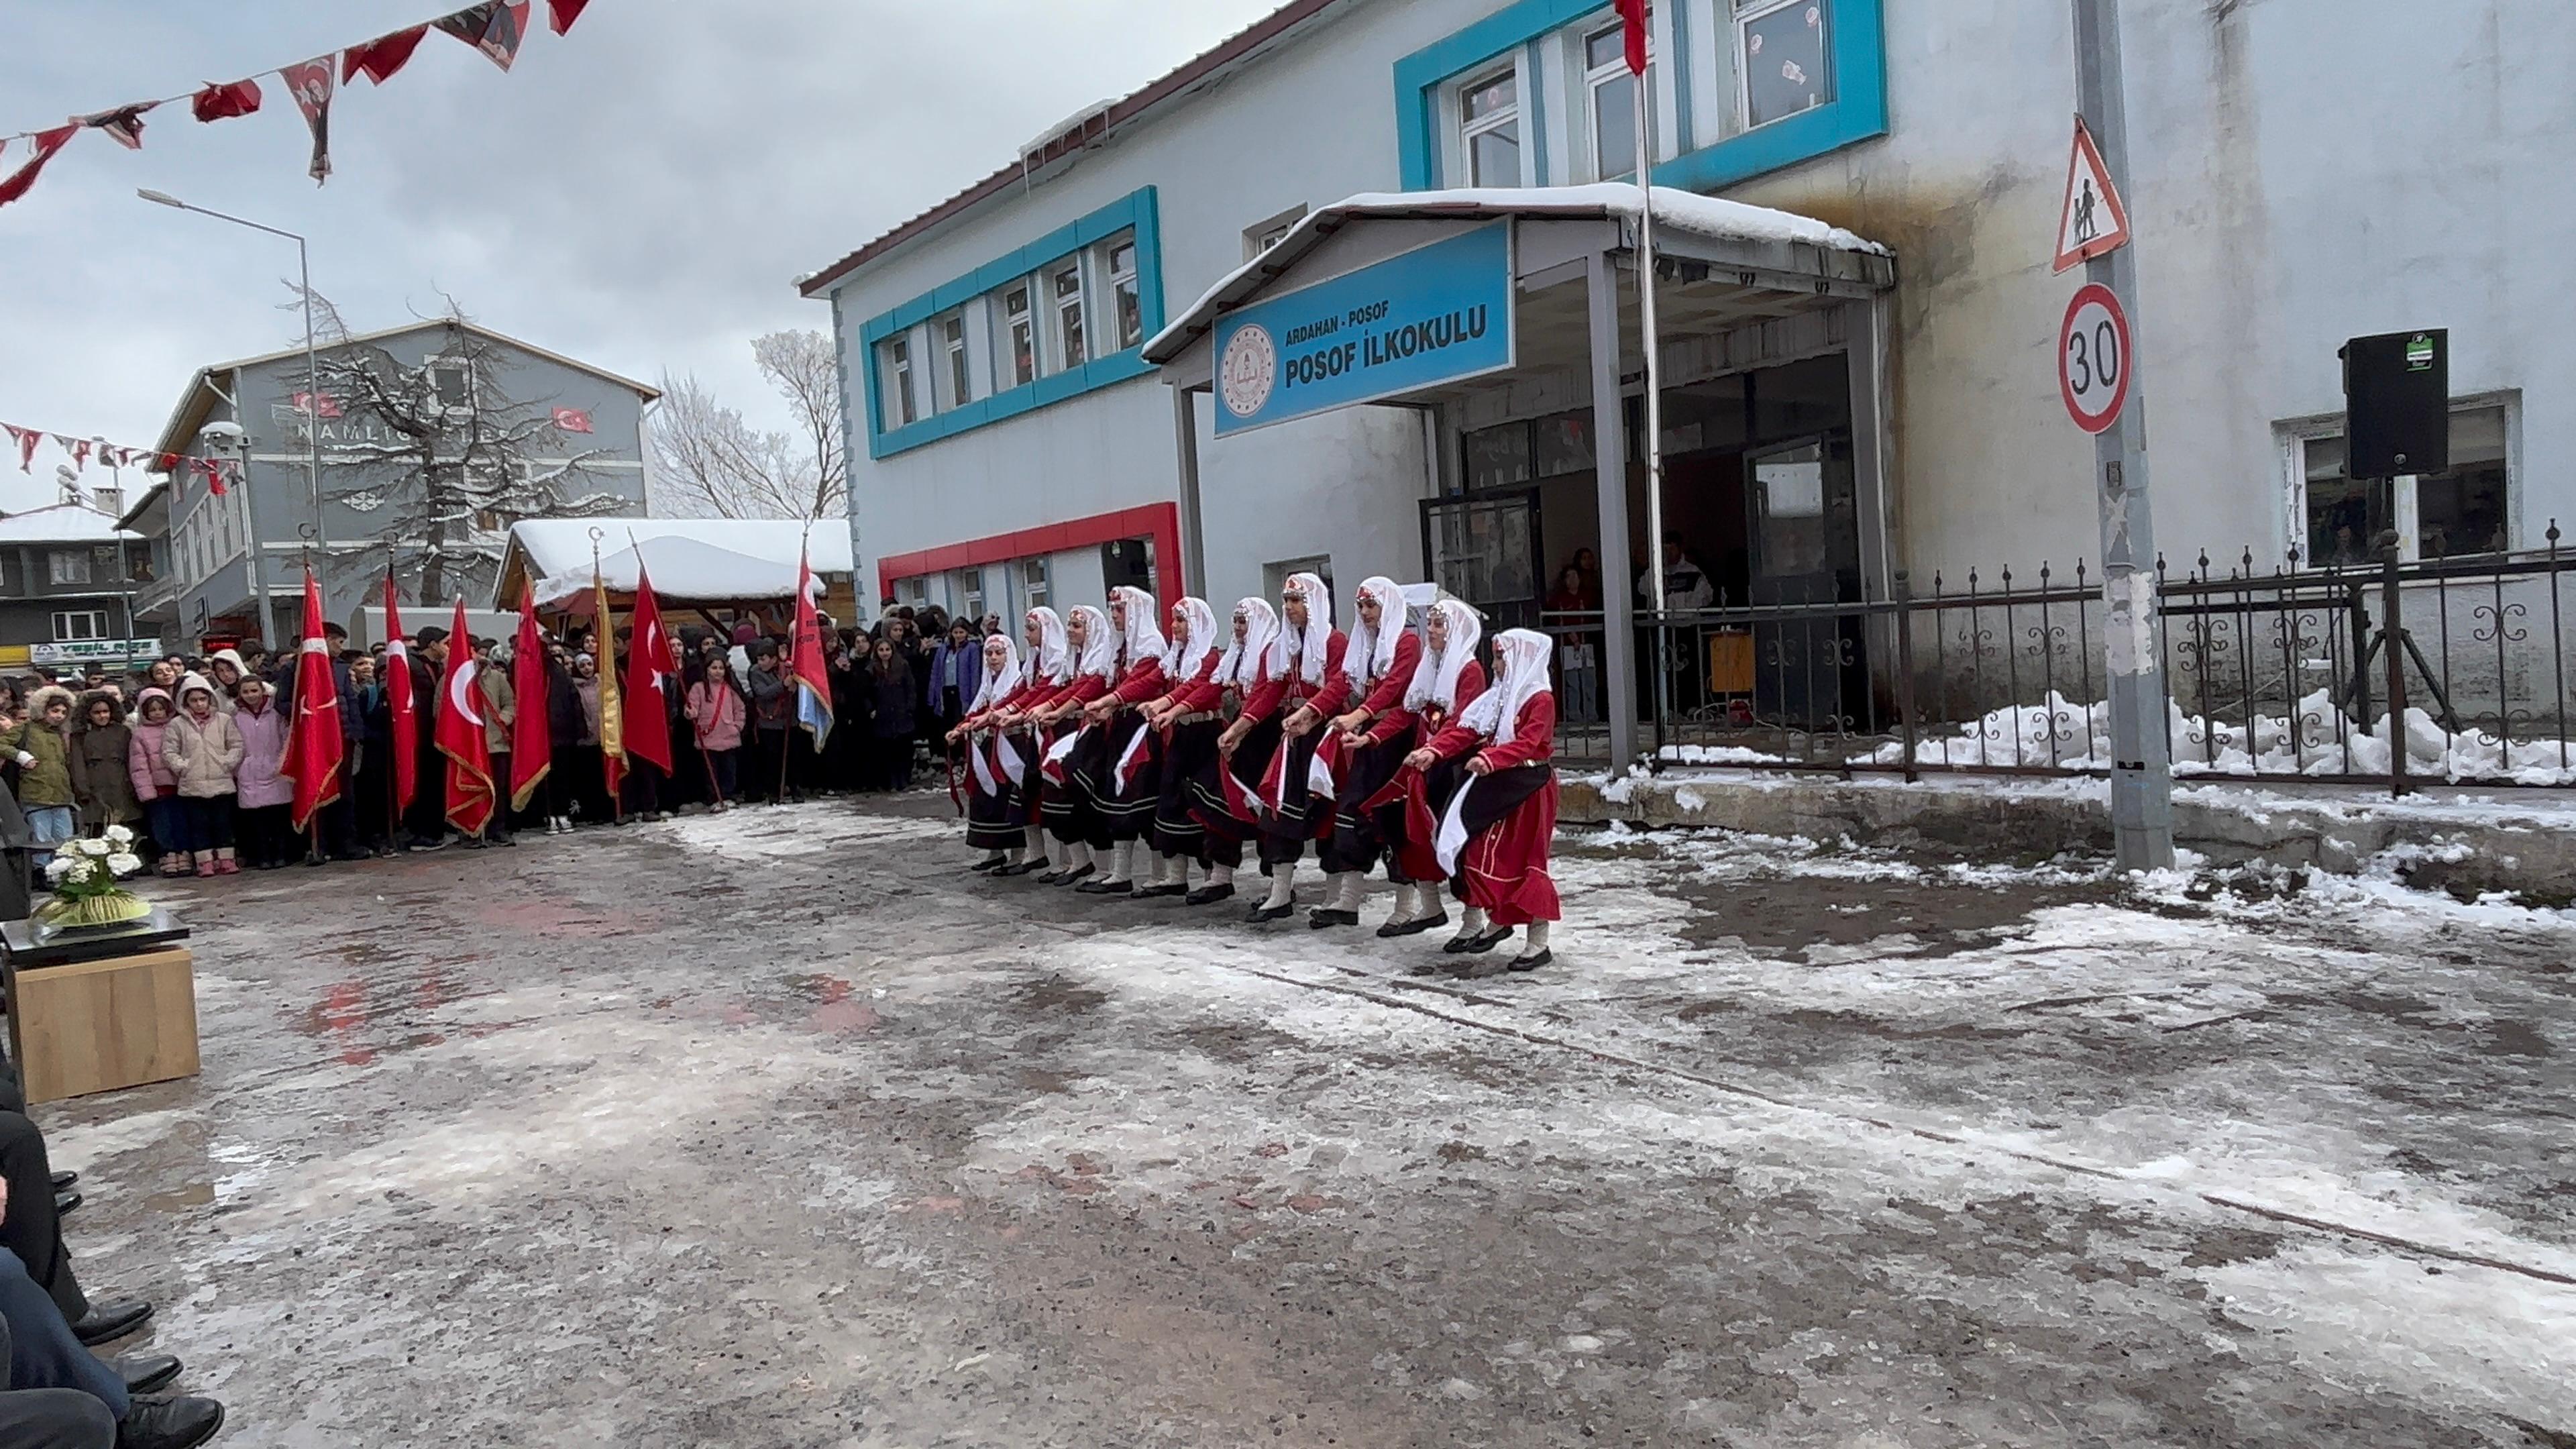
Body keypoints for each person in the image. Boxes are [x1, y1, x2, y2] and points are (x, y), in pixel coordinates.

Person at [1405, 628, 1561, 973]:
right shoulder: (1499, 696)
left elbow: (1531, 743)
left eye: (1503, 656)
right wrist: (1433, 751)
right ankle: (1497, 920)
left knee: (1527, 861)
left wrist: (1493, 758)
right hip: (1498, 785)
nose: (1498, 665)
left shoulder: (1540, 699)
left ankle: (1538, 941)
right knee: (1481, 854)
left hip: (1528, 786)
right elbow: (1466, 729)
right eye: (1497, 656)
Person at [1312, 578, 1426, 930]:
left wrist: (1360, 717)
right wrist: (1310, 713)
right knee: (1351, 813)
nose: (1364, 614)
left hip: (1397, 741)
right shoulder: (1365, 644)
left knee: (1393, 820)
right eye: (1360, 607)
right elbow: (1343, 684)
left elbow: (1396, 689)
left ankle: (1406, 905)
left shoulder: (1406, 642)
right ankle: (1348, 902)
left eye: (1371, 606)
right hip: (1368, 740)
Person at [1236, 572, 1350, 924]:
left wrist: (1309, 712)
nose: (1289, 608)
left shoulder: (1335, 642)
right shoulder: (1286, 645)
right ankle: (1280, 894)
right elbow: (1271, 689)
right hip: (1296, 735)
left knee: (1329, 815)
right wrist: (1241, 726)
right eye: (1286, 601)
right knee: (1278, 810)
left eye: (1297, 601)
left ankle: (1336, 899)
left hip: (1326, 736)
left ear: (1313, 603)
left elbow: (1339, 686)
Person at [1368, 598, 1485, 938]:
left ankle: (1473, 920)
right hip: (1427, 761)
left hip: (1455, 766)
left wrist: (1435, 750)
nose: (1431, 631)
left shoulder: (1469, 670)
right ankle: (1430, 906)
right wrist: (1372, 737)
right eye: (1430, 624)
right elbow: (1409, 711)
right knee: (1411, 830)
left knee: (1457, 839)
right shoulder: (1431, 666)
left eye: (1439, 625)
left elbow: (1463, 722)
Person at [1070, 586, 1169, 895]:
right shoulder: (1120, 646)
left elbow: (1143, 683)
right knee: (1117, 796)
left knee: (1144, 797)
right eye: (1112, 610)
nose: (1114, 616)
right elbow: (1106, 683)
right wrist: (1103, 707)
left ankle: (1161, 874)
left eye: (1120, 609)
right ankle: (1120, 872)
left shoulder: (1151, 644)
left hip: (1143, 726)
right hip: (1121, 725)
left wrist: (1109, 701)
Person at [1130, 596, 1222, 901]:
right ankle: (1175, 875)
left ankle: (1216, 877)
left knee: (1206, 800)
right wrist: (1112, 701)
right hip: (1182, 733)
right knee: (1170, 795)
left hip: (1206, 734)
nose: (1175, 627)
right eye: (1173, 620)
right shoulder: (1174, 657)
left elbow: (1200, 689)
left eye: (1181, 620)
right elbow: (1149, 681)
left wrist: (1168, 706)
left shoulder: (1210, 658)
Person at [969, 608, 1067, 878]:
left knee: (1057, 799)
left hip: (1054, 734)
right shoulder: (1034, 662)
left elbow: (1046, 692)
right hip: (1033, 733)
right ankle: (1037, 854)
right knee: (1027, 797)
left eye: (1031, 629)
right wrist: (1002, 712)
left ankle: (1071, 862)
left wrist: (1014, 712)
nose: (1026, 635)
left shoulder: (1058, 660)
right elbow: (1023, 691)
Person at [1197, 598, 1282, 908]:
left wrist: (1240, 729)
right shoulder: (1236, 654)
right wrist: (1172, 706)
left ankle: (1278, 882)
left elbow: (1266, 695)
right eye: (1234, 621)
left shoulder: (1271, 652)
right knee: (1221, 799)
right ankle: (1220, 875)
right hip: (1242, 728)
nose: (1237, 627)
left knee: (1265, 805)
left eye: (1243, 621)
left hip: (1266, 732)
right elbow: (1212, 687)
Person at [1028, 604, 1114, 884]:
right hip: (1071, 731)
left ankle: (1107, 869)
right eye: (1070, 625)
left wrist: (1056, 709)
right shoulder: (1074, 660)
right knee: (1057, 797)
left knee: (1089, 799)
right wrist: (1045, 709)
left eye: (1077, 626)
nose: (1070, 631)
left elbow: (1091, 689)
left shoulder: (1103, 657)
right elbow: (1065, 689)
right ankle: (1080, 862)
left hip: (1094, 734)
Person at [953, 631, 1027, 870]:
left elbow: (1001, 710)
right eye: (989, 653)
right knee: (986, 798)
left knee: (1009, 799)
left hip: (1013, 746)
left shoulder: (1017, 681)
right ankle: (994, 851)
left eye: (998, 653)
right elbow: (978, 709)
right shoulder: (988, 683)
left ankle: (1018, 854)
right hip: (990, 745)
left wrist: (980, 721)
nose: (993, 658)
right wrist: (960, 728)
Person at [160, 677, 241, 877]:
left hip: (221, 782)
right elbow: (169, 751)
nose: (199, 704)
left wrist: (227, 762)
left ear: (209, 699)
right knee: (199, 826)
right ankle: (205, 862)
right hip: (192, 786)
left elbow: (236, 745)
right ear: (185, 702)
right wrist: (182, 767)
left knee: (223, 823)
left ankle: (227, 859)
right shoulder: (177, 724)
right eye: (194, 700)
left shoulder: (224, 720)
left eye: (202, 699)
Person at [0, 689, 77, 872]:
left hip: (61, 793)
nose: (59, 716)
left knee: (65, 836)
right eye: (55, 711)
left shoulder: (60, 734)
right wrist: (20, 756)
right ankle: (42, 870)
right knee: (41, 836)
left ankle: (64, 870)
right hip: (35, 792)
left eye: (63, 712)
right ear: (43, 709)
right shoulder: (26, 728)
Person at [227, 677, 293, 869]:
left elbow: (286, 738)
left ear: (262, 691)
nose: (250, 696)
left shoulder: (276, 714)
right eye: (246, 692)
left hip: (275, 768)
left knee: (278, 816)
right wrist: (238, 767)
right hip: (248, 771)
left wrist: (282, 762)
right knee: (257, 820)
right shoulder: (235, 716)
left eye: (254, 691)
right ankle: (263, 856)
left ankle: (281, 854)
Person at [123, 690, 188, 875]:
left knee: (182, 823)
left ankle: (183, 853)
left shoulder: (178, 726)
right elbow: (139, 765)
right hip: (158, 789)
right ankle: (167, 854)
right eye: (153, 710)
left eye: (161, 709)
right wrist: (146, 790)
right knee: (162, 825)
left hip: (181, 785)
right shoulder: (140, 734)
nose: (158, 713)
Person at [402, 627, 451, 851]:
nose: (447, 648)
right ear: (432, 645)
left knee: (436, 783)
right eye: (445, 644)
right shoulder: (412, 665)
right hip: (418, 734)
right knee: (423, 784)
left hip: (437, 734)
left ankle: (436, 829)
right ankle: (423, 832)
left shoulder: (441, 666)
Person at [66, 694, 140, 843]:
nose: (102, 716)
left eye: (105, 711)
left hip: (122, 784)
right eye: (97, 713)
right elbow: (77, 764)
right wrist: (83, 790)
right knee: (98, 828)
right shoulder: (80, 736)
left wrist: (134, 785)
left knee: (126, 827)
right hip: (95, 786)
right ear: (88, 715)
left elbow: (132, 759)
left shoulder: (123, 732)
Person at [469, 639, 517, 847]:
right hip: (468, 747)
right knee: (471, 789)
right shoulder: (451, 679)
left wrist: (502, 720)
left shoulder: (496, 677)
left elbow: (509, 703)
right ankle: (472, 830)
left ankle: (499, 828)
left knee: (499, 788)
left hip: (495, 744)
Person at [349, 655, 397, 856]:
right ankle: (372, 834)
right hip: (372, 755)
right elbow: (360, 723)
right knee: (371, 797)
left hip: (395, 755)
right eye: (383, 673)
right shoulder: (369, 694)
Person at [686, 656, 746, 810]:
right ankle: (714, 797)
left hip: (728, 735)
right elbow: (692, 707)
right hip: (708, 737)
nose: (717, 672)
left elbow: (739, 709)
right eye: (714, 668)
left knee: (729, 770)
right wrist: (690, 712)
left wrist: (737, 726)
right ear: (706, 670)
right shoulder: (699, 688)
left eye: (721, 668)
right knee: (711, 771)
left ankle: (728, 795)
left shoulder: (729, 688)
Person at [865, 637, 918, 791]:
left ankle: (904, 780)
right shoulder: (871, 669)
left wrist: (910, 708)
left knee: (903, 749)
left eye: (887, 650)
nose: (885, 653)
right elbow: (866, 693)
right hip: (883, 714)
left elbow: (911, 688)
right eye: (881, 650)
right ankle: (891, 781)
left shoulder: (902, 665)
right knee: (887, 751)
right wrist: (871, 710)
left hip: (901, 713)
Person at [744, 644, 792, 805]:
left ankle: (792, 788)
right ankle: (773, 792)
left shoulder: (784, 669)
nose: (761, 663)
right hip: (769, 722)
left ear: (773, 659)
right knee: (771, 760)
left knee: (791, 757)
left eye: (764, 659)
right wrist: (783, 685)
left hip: (787, 721)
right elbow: (763, 693)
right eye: (759, 659)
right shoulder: (756, 672)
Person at [924, 621, 981, 745]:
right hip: (945, 690)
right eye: (956, 632)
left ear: (967, 633)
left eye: (961, 632)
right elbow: (936, 671)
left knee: (960, 721)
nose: (959, 635)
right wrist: (932, 694)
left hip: (962, 690)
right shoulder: (944, 649)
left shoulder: (972, 648)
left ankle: (962, 753)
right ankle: (951, 755)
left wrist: (975, 695)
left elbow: (974, 672)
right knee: (947, 722)